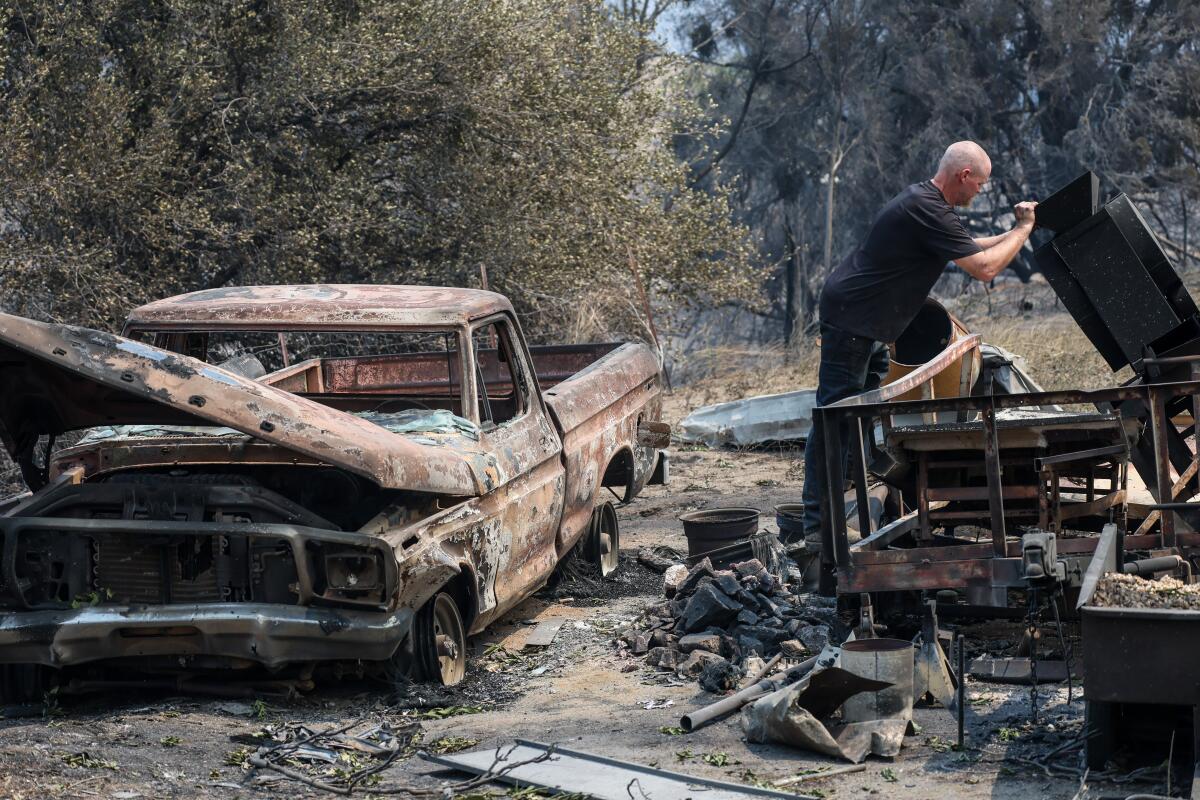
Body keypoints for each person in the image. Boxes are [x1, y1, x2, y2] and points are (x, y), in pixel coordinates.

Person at [800, 140, 1037, 544]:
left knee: (855, 423)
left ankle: (839, 516)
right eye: (979, 185)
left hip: (871, 325)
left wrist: (1010, 234)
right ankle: (818, 530)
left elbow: (971, 246)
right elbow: (984, 268)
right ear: (964, 176)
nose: (979, 192)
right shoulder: (925, 207)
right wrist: (1022, 230)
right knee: (833, 421)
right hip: (853, 319)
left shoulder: (929, 204)